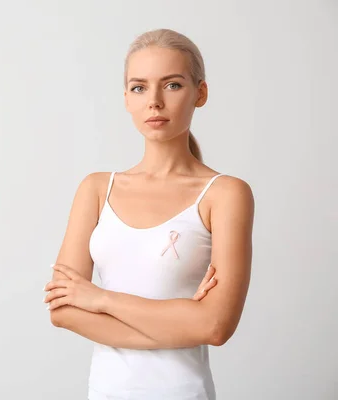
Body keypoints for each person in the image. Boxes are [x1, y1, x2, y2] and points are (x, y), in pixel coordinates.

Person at [42, 28, 254, 400]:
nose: (154, 101)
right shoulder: (96, 188)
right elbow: (62, 311)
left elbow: (217, 326)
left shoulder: (224, 194)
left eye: (172, 85)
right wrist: (184, 319)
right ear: (126, 98)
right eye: (139, 87)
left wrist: (101, 299)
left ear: (199, 94)